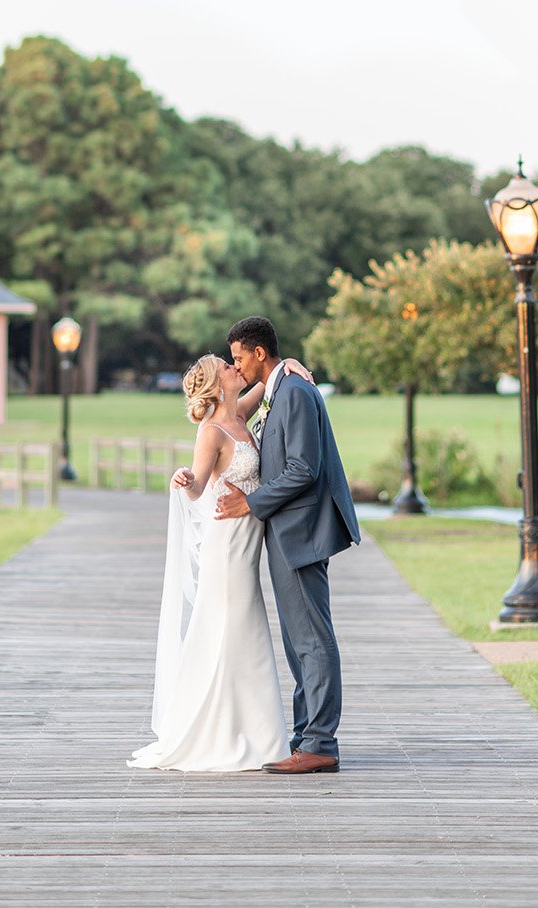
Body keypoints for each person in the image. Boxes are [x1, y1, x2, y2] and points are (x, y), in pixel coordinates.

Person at [128, 352, 313, 773]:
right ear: (218, 383)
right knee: (234, 625)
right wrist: (184, 480)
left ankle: (256, 733)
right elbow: (197, 487)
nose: (236, 369)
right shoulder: (211, 431)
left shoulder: (241, 412)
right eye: (227, 367)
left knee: (244, 625)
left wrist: (291, 364)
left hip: (248, 540)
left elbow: (270, 378)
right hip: (227, 541)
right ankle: (225, 732)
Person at [216, 315, 360, 775]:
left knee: (312, 641)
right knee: (301, 642)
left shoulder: (295, 392)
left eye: (239, 358)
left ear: (260, 353)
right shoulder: (282, 388)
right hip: (287, 532)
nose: (236, 368)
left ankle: (319, 743)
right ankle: (306, 736)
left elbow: (303, 469)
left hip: (300, 532)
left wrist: (252, 504)